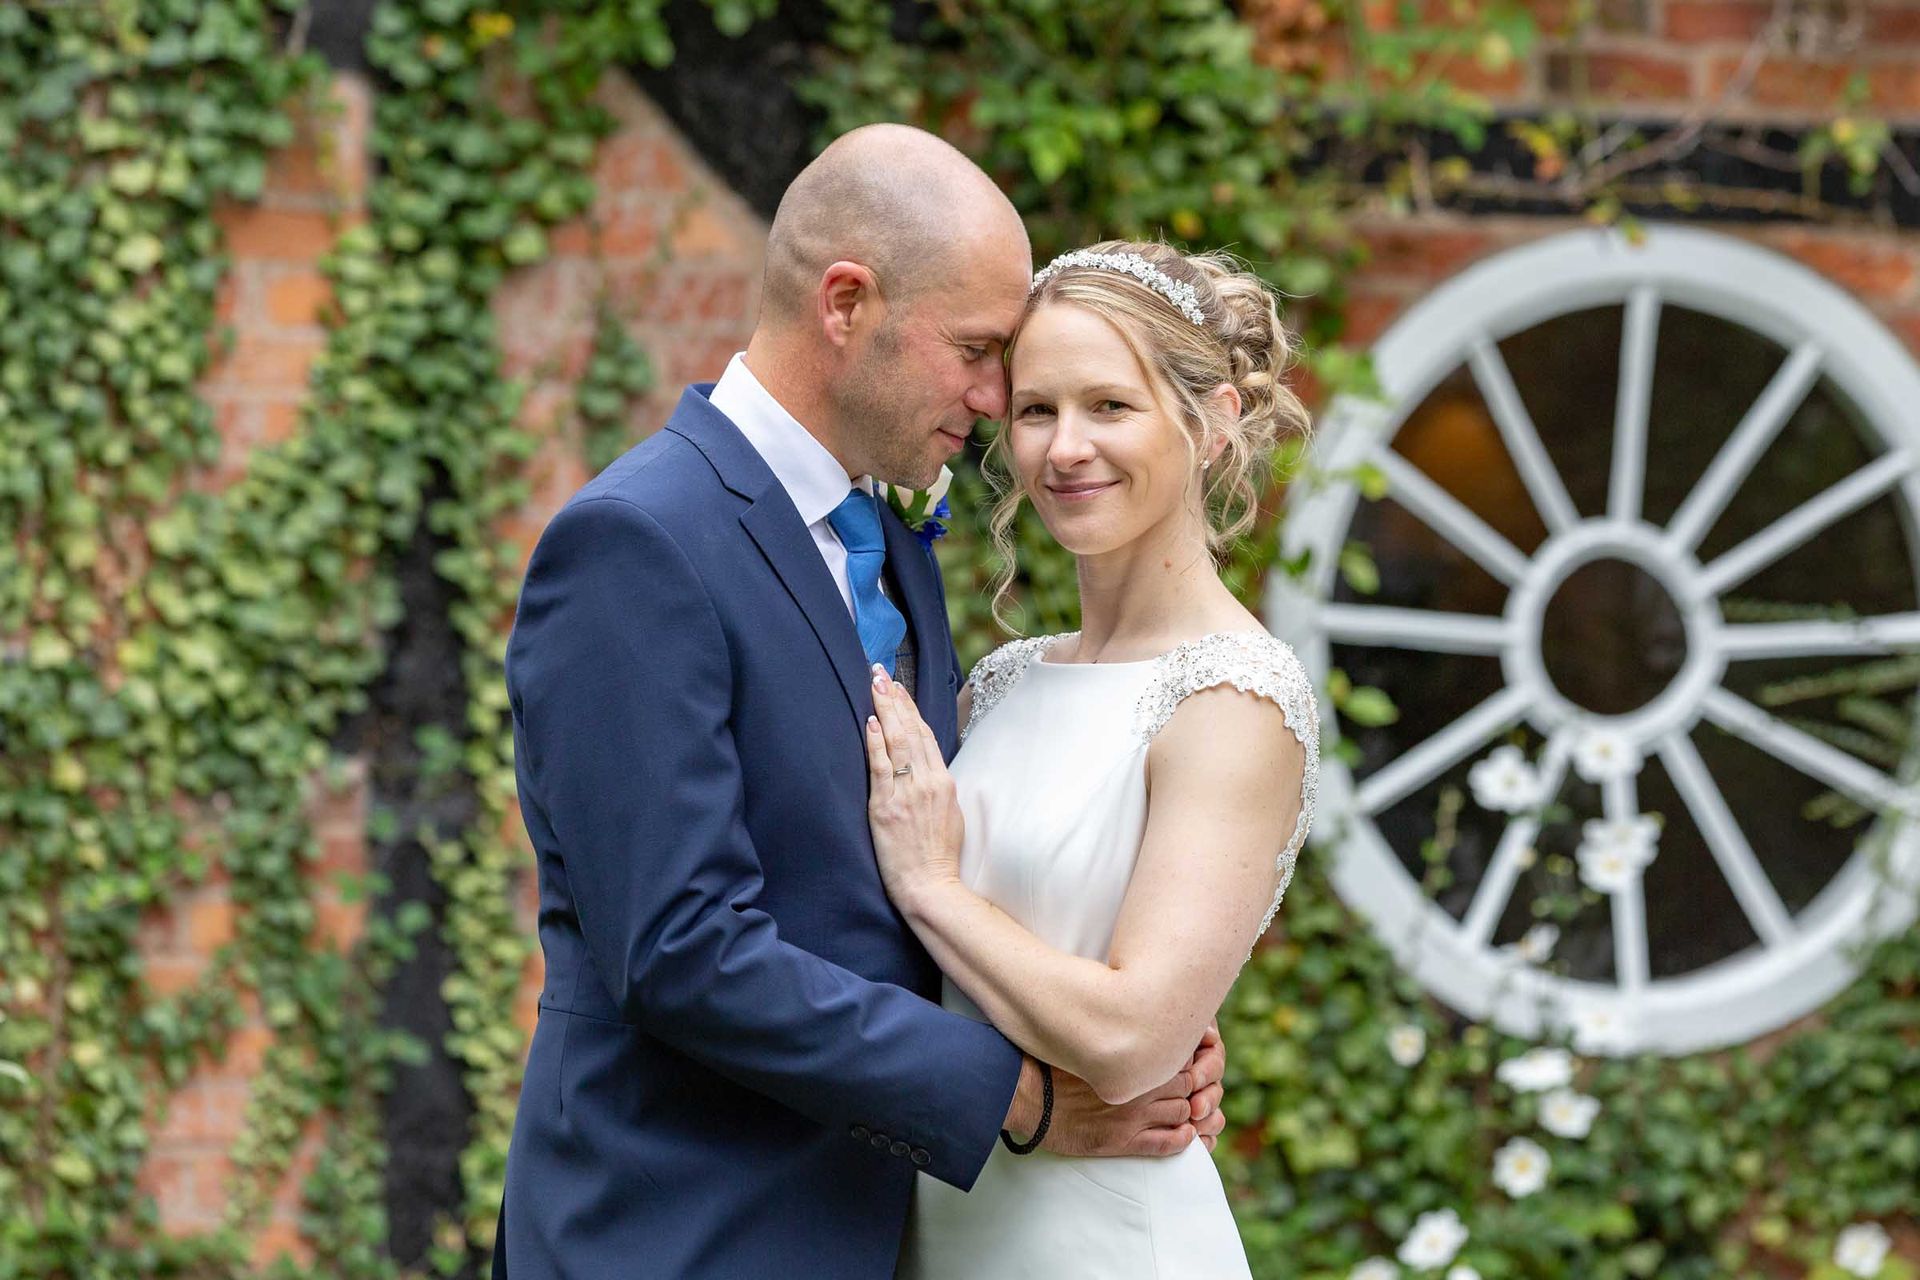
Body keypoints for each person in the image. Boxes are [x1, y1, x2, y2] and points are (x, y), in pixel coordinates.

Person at [492, 131, 1227, 1280]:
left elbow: (896, 881)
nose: (995, 400)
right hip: (684, 1231)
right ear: (847, 303)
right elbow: (681, 946)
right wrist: (1023, 1097)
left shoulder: (887, 539)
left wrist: (1109, 1027)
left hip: (887, 1230)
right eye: (976, 351)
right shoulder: (637, 542)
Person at [864, 241, 1322, 1278]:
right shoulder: (1001, 682)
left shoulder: (1235, 698)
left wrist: (932, 886)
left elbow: (1130, 1039)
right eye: (1036, 410)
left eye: (1110, 406)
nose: (1065, 448)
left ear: (1213, 426)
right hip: (949, 1216)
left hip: (1107, 1238)